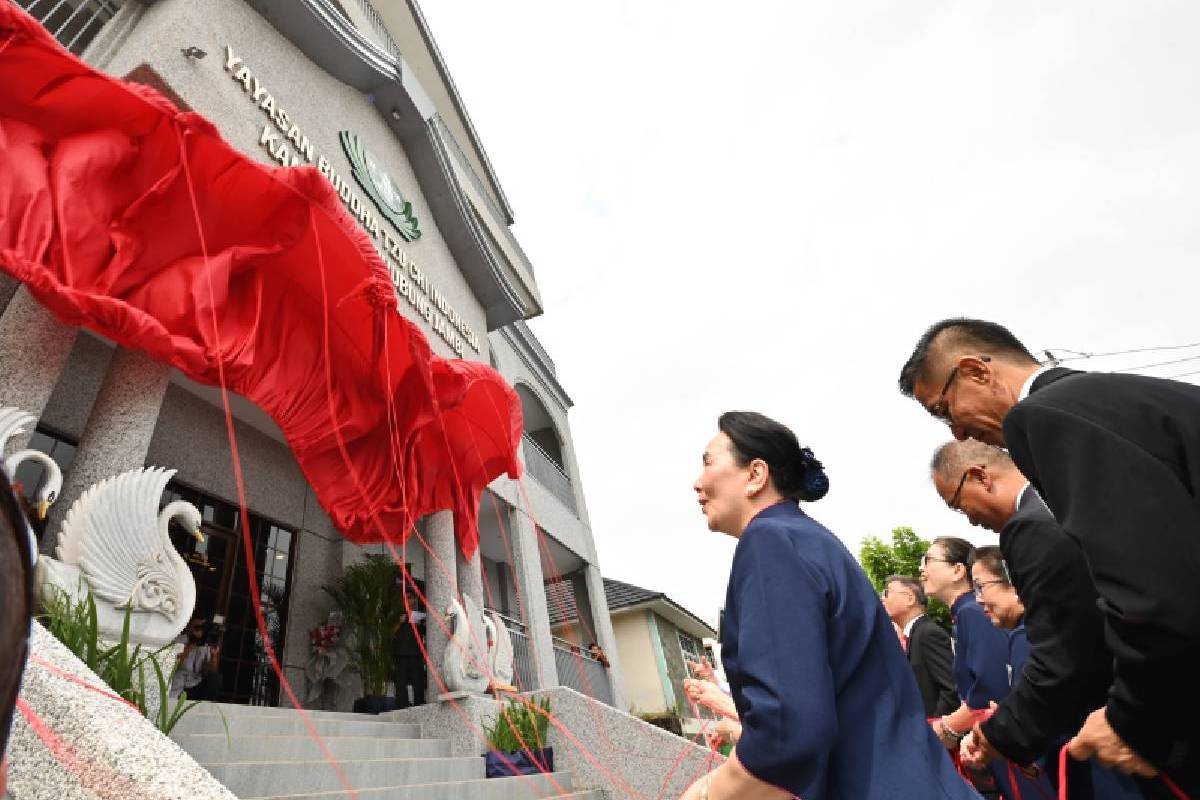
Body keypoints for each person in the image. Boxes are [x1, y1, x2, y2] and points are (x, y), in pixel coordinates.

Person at [899, 318, 1200, 791]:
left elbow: (1154, 592)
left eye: (944, 409)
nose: (956, 432)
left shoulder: (1042, 416)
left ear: (976, 371)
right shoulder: (1130, 396)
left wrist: (1130, 719)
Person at [678, 411, 977, 800]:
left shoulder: (770, 543)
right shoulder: (804, 538)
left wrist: (709, 793)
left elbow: (789, 730)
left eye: (708, 462)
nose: (697, 483)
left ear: (755, 475)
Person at [930, 439, 1138, 799]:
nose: (970, 518)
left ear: (980, 476)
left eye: (959, 504)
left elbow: (1065, 657)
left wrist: (999, 735)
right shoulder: (1072, 498)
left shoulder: (1031, 526)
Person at [921, 536, 1012, 798]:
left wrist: (946, 728)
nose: (922, 570)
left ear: (958, 570)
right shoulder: (964, 614)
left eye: (928, 560)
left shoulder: (973, 611)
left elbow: (990, 689)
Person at [882, 575, 959, 718]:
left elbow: (951, 688)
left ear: (910, 599)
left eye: (887, 593)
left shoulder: (927, 633)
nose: (883, 599)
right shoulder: (913, 635)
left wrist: (935, 729)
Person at [170, 617, 222, 700]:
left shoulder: (205, 645)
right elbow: (172, 665)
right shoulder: (179, 640)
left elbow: (211, 670)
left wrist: (213, 656)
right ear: (190, 626)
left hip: (195, 683)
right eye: (197, 627)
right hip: (178, 685)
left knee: (216, 678)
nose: (199, 631)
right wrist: (191, 644)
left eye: (202, 628)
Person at [391, 591, 426, 709]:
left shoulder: (421, 616)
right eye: (406, 598)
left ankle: (419, 706)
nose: (408, 600)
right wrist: (399, 623)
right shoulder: (397, 614)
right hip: (401, 653)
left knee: (418, 682)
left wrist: (424, 623)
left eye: (410, 598)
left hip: (416, 653)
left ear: (415, 600)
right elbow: (390, 633)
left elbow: (427, 634)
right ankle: (402, 706)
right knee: (400, 682)